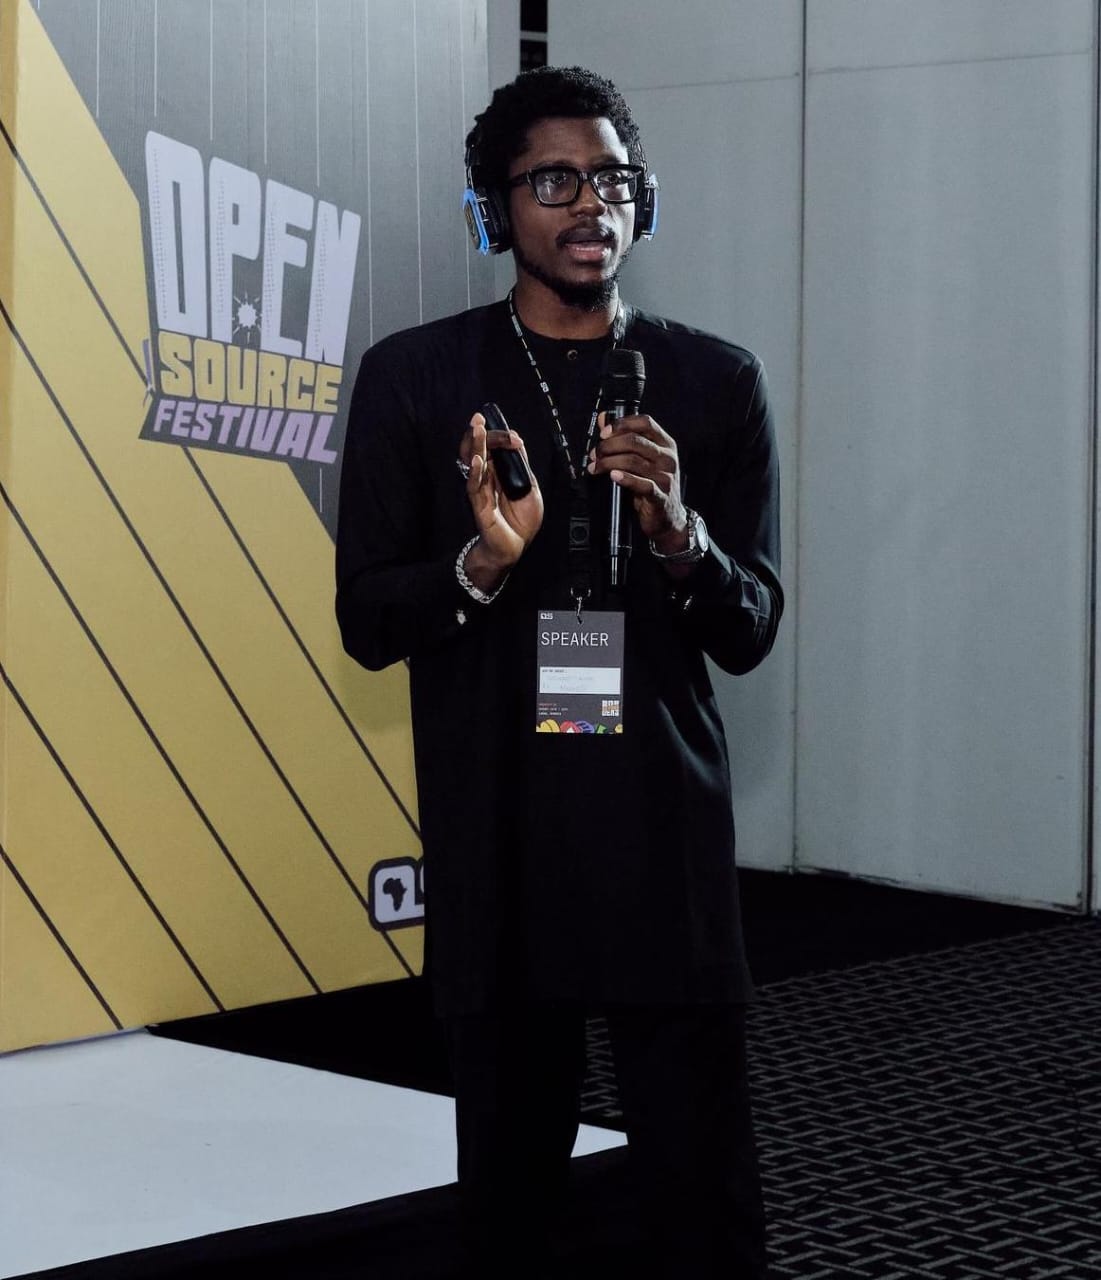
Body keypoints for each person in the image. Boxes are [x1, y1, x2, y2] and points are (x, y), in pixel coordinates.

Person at [336, 65, 782, 1279]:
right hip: (500, 822)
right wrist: (483, 558)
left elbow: (750, 627)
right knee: (512, 1187)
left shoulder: (716, 381)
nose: (592, 203)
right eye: (554, 181)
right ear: (495, 208)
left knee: (700, 1186)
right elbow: (368, 619)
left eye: (613, 179)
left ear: (646, 200)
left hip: (661, 827)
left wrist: (681, 534)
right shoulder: (418, 378)